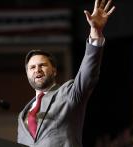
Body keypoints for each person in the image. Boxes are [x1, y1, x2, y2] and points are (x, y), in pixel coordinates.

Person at [17, 0, 115, 146]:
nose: (37, 69)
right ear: (27, 74)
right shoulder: (23, 115)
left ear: (54, 70)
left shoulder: (69, 93)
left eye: (42, 65)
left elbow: (88, 74)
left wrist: (95, 32)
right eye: (32, 67)